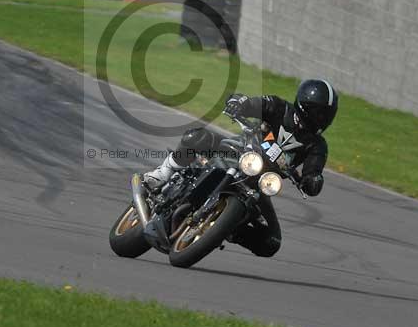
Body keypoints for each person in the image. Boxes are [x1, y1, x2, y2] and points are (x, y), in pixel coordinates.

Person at [143, 79, 339, 257]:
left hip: (258, 182)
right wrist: (240, 103)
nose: (322, 118)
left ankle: (226, 227)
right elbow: (256, 104)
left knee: (271, 242)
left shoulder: (317, 146)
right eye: (319, 113)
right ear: (305, 106)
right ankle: (162, 173)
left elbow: (314, 169)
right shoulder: (280, 108)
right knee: (196, 137)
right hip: (236, 152)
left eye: (326, 115)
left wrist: (313, 181)